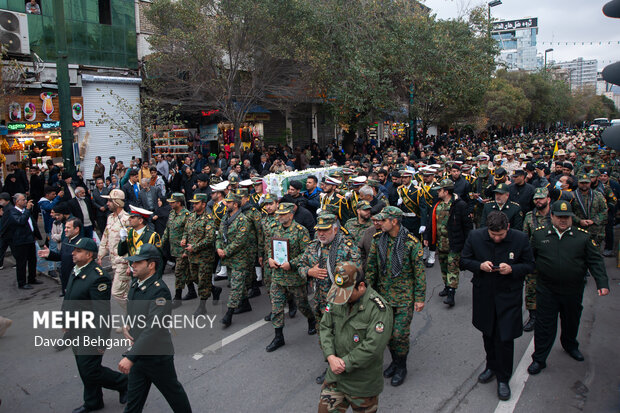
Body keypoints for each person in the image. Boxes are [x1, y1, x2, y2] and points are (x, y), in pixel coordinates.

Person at [527, 200, 609, 376]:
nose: (563, 220)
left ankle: (570, 345)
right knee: (544, 326)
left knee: (571, 320)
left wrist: (602, 283)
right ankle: (539, 358)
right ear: (552, 216)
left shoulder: (582, 237)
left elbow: (595, 261)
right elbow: (529, 258)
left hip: (573, 289)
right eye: (560, 217)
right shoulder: (540, 236)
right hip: (547, 289)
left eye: (567, 217)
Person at [460, 211, 535, 401]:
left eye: (500, 235)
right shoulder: (476, 236)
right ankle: (491, 366)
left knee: (505, 337)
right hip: (484, 294)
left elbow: (530, 265)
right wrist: (479, 266)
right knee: (488, 333)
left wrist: (512, 269)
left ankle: (503, 378)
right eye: (493, 235)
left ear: (507, 228)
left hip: (508, 295)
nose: (496, 238)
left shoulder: (520, 238)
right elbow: (463, 260)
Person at [119, 244, 192, 413]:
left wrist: (131, 357)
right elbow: (132, 310)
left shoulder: (160, 292)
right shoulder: (136, 284)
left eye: (138, 262)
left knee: (173, 393)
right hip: (139, 353)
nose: (133, 265)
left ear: (151, 265)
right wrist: (126, 324)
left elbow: (153, 327)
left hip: (156, 357)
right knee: (133, 402)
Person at [62, 238, 128, 413]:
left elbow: (102, 313)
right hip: (75, 329)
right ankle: (93, 401)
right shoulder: (77, 270)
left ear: (89, 255)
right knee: (84, 368)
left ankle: (124, 383)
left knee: (90, 370)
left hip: (90, 332)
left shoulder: (98, 278)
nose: (73, 254)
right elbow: (69, 297)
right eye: (73, 250)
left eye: (77, 251)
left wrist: (100, 340)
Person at [317, 262, 393, 413]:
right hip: (336, 378)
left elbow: (374, 347)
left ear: (362, 286)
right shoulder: (338, 297)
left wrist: (344, 363)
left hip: (362, 384)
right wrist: (330, 356)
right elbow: (325, 327)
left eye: (347, 294)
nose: (342, 299)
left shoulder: (379, 310)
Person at [295, 213, 361, 384]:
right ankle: (332, 364)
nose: (321, 234)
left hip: (342, 303)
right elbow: (301, 265)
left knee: (343, 337)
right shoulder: (313, 247)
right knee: (324, 336)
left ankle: (345, 368)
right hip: (320, 302)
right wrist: (309, 272)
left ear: (335, 229)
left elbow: (358, 273)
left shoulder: (347, 247)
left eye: (325, 230)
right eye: (319, 231)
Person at [365, 206, 426, 387]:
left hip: (404, 297)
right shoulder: (378, 240)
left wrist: (420, 297)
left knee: (399, 334)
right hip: (383, 296)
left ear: (394, 221)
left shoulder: (411, 243)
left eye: (383, 220)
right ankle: (395, 361)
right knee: (387, 335)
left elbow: (419, 273)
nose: (379, 223)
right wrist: (368, 293)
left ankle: (402, 367)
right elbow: (371, 269)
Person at [265, 203, 317, 352]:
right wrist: (270, 258)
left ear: (290, 215)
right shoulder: (274, 229)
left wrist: (292, 264)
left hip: (294, 277)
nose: (279, 216)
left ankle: (311, 319)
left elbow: (307, 253)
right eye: (279, 214)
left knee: (302, 305)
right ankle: (278, 336)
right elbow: (271, 248)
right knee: (276, 307)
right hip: (278, 276)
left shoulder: (301, 231)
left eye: (282, 214)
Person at [425, 179, 472, 307]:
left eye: (439, 190)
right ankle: (446, 286)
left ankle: (451, 293)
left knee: (452, 268)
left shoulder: (459, 205)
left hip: (454, 242)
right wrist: (427, 236)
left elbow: (467, 226)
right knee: (444, 266)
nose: (437, 193)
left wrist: (467, 244)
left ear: (446, 191)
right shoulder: (437, 204)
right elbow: (431, 222)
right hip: (441, 242)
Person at [181, 193, 221, 316]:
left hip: (205, 256)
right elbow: (186, 231)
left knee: (203, 281)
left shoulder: (209, 218)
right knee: (194, 278)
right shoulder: (191, 217)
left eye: (196, 203)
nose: (194, 205)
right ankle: (214, 289)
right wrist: (184, 240)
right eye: (193, 203)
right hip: (192, 255)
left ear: (203, 204)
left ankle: (202, 306)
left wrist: (195, 247)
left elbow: (209, 239)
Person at [216, 192, 251, 327]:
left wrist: (226, 251)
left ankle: (228, 314)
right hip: (228, 258)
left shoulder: (242, 220)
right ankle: (246, 304)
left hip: (239, 259)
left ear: (235, 205)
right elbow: (219, 235)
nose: (226, 204)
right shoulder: (225, 218)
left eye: (229, 202)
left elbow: (240, 241)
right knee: (235, 282)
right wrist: (219, 248)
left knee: (235, 286)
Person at [521, 187, 553, 332]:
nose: (538, 201)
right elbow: (524, 238)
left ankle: (548, 314)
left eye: (541, 198)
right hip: (533, 259)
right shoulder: (529, 216)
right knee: (531, 290)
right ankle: (533, 316)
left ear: (548, 199)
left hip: (551, 259)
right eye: (536, 199)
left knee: (551, 288)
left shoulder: (556, 215)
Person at [98, 189, 132, 312]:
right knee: (126, 293)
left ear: (117, 202)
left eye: (109, 201)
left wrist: (129, 264)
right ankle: (133, 320)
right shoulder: (110, 218)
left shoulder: (127, 219)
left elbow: (131, 244)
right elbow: (105, 238)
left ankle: (135, 313)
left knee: (117, 292)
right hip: (114, 261)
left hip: (123, 262)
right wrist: (100, 255)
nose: (107, 203)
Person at [39, 217, 83, 297]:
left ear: (76, 229)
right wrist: (49, 254)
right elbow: (62, 257)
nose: (65, 230)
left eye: (68, 228)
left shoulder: (81, 244)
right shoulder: (66, 240)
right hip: (66, 281)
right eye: (65, 227)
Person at [6, 193, 42, 289]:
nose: (25, 201)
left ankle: (32, 278)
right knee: (21, 262)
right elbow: (21, 221)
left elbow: (31, 223)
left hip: (30, 239)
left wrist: (35, 234)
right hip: (20, 241)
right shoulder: (13, 212)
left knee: (32, 260)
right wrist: (27, 210)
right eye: (23, 200)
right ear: (17, 202)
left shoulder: (25, 211)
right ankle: (21, 282)